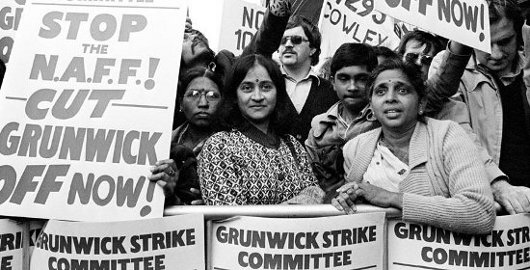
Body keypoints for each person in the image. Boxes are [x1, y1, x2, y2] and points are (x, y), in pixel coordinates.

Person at [333, 60, 495, 234]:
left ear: (421, 103)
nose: (390, 98)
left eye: (402, 90)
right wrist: (346, 199)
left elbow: (480, 211)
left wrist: (391, 198)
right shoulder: (355, 149)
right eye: (381, 91)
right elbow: (356, 211)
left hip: (439, 256)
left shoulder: (447, 135)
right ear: (371, 106)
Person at [429, 0, 530, 214]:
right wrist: (498, 185)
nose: (495, 53)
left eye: (505, 41)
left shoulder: (527, 69)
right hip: (486, 203)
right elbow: (459, 134)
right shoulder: (450, 69)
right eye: (485, 44)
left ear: (519, 34)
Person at [198, 54, 324, 205]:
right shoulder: (220, 145)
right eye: (247, 88)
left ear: (278, 93)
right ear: (234, 96)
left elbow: (314, 195)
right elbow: (229, 217)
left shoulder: (292, 146)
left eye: (266, 87)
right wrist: (294, 207)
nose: (257, 96)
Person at [305, 43, 379, 199]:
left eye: (361, 79)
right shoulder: (319, 128)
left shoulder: (384, 119)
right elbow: (308, 176)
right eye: (344, 79)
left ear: (373, 81)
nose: (352, 87)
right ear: (332, 82)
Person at [149, 67, 224, 205]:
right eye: (194, 94)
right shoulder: (160, 143)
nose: (203, 103)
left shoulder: (232, 148)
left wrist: (215, 201)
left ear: (223, 103)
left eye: (212, 95)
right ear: (180, 103)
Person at [278, 16, 337, 142]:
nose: (288, 45)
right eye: (282, 40)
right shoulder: (265, 85)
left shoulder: (331, 91)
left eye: (296, 40)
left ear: (312, 49)